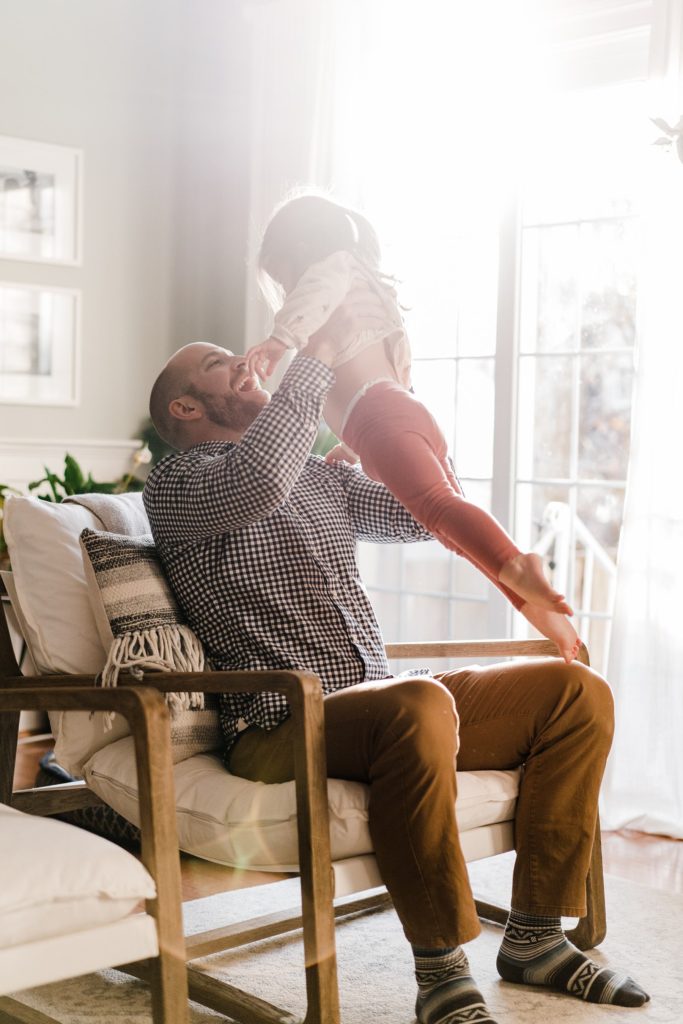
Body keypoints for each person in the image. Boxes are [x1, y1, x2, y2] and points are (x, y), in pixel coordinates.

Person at [144, 315, 649, 1023]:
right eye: (222, 362)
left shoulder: (317, 479)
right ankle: (441, 971)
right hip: (280, 723)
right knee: (414, 704)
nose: (245, 363)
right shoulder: (178, 486)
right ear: (185, 408)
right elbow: (257, 479)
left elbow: (424, 516)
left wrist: (395, 411)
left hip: (381, 704)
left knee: (573, 693)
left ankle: (536, 939)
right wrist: (315, 357)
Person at [245, 193, 580, 663]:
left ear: (300, 247)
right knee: (454, 533)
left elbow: (314, 298)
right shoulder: (368, 291)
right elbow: (390, 368)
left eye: (283, 274)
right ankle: (541, 610)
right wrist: (355, 446)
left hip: (380, 418)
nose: (287, 285)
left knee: (441, 511)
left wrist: (282, 339)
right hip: (402, 411)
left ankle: (517, 564)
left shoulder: (330, 271)